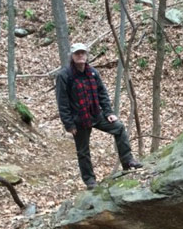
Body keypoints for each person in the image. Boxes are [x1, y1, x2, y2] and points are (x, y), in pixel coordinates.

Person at [56, 42, 142, 189]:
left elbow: (102, 93)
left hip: (96, 114)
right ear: (72, 55)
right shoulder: (65, 75)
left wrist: (108, 112)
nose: (80, 55)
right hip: (79, 120)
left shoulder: (93, 72)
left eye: (83, 53)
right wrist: (68, 124)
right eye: (77, 53)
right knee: (83, 151)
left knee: (119, 127)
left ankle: (127, 161)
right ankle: (90, 181)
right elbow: (62, 101)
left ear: (87, 55)